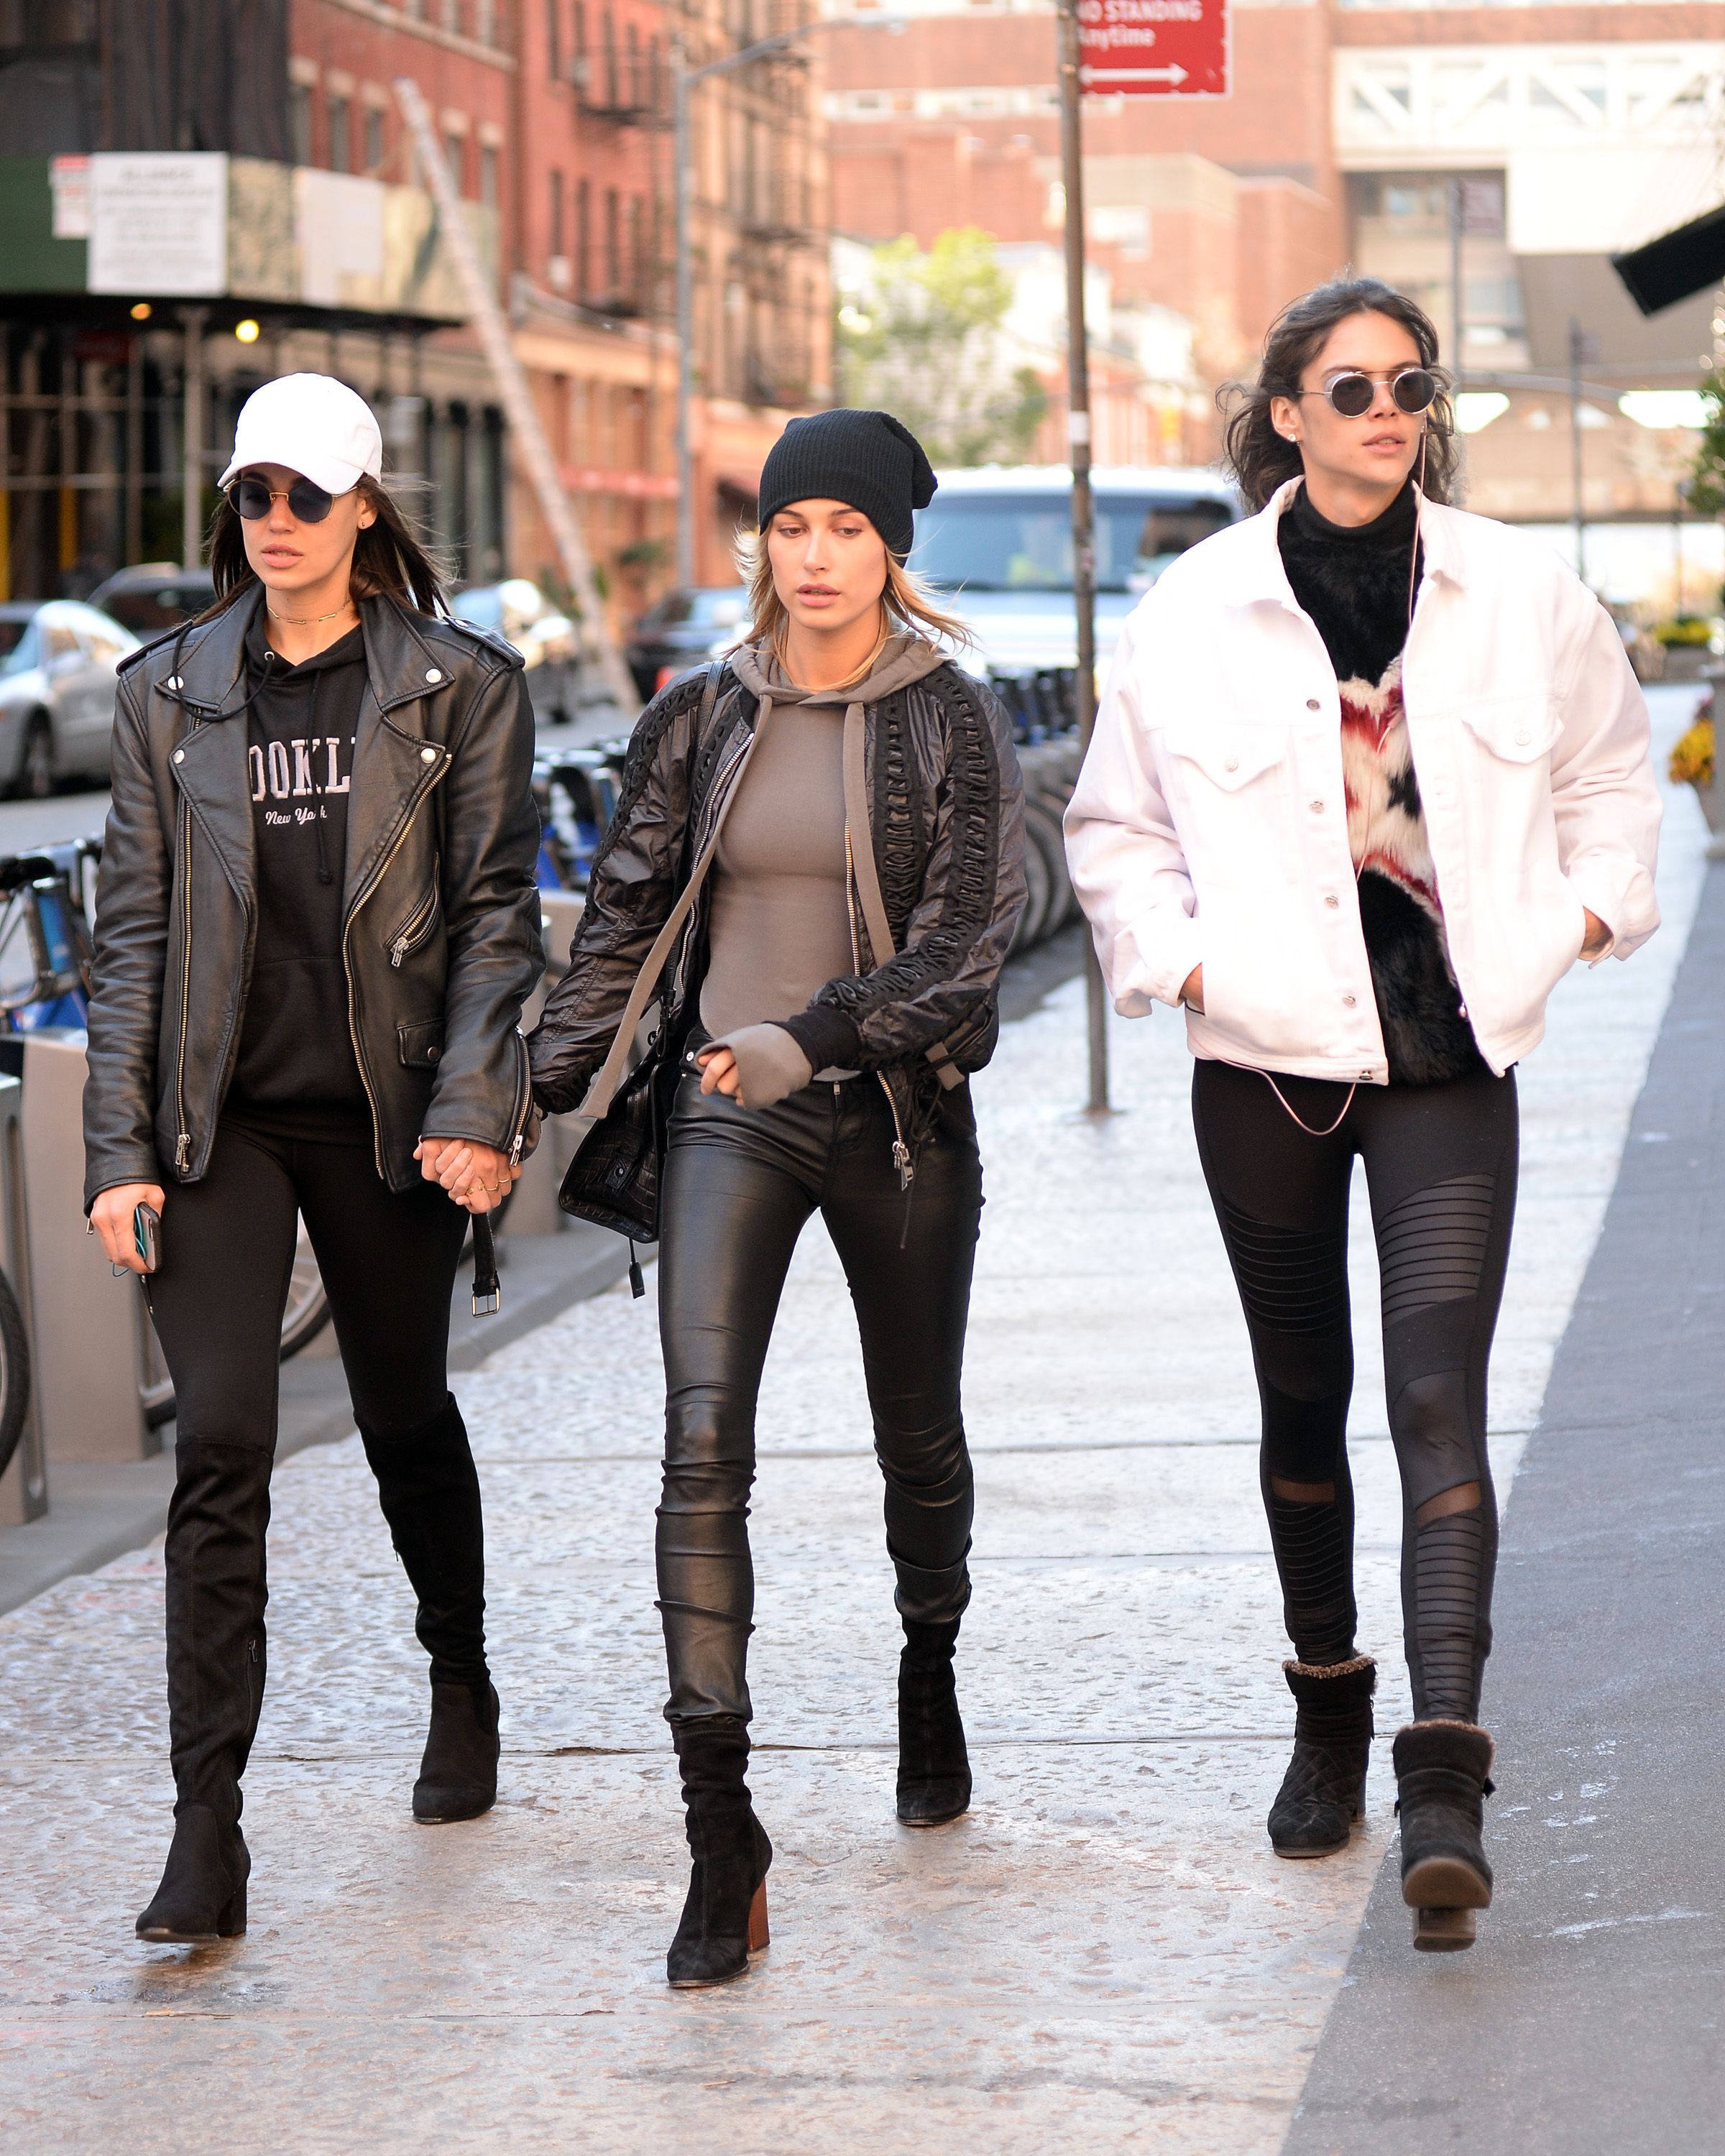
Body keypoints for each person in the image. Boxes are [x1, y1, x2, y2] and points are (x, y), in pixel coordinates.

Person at [1064, 277, 1660, 1952]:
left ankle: (1443, 1778)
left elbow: (1614, 783)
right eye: (1352, 388)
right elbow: (1116, 830)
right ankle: (1328, 1708)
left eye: (1411, 385)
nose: (1388, 411)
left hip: (1450, 1064)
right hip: (1264, 1065)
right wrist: (1187, 968)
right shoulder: (1195, 609)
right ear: (1286, 416)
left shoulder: (1523, 594)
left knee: (1437, 1398)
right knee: (1303, 1398)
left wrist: (1577, 920)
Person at [529, 409, 1026, 1988]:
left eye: (846, 530)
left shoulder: (953, 718)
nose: (814, 557)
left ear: (892, 550)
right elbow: (620, 920)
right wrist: (517, 1099)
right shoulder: (701, 714)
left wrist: (805, 1039)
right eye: (791, 527)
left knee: (917, 1437)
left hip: (891, 1119)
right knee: (700, 1450)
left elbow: (964, 950)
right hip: (724, 1114)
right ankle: (718, 1831)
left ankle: (929, 1662)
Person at [83, 373, 543, 1943]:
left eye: (304, 495)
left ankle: (459, 1673)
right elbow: (130, 941)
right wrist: (118, 1150)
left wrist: (475, 1110)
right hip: (220, 1124)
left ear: (361, 507)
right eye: (253, 496)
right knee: (220, 1439)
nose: (275, 521)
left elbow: (495, 923)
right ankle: (205, 1827)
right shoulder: (166, 693)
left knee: (403, 1410)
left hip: (385, 1113)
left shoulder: (457, 688)